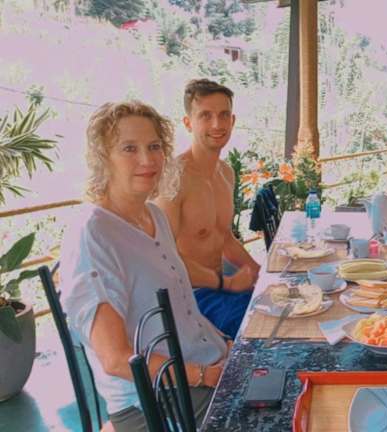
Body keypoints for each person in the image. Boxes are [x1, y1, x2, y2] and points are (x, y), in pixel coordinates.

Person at [60, 101, 229, 431]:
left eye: (154, 146)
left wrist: (224, 346)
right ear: (103, 158)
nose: (147, 160)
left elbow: (184, 311)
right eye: (129, 148)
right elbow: (115, 359)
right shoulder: (93, 233)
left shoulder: (153, 216)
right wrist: (204, 375)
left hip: (200, 366)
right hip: (154, 398)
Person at [156, 79, 260, 339]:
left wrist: (262, 275)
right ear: (188, 123)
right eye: (205, 115)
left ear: (232, 121)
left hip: (221, 288)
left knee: (288, 308)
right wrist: (227, 283)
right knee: (262, 328)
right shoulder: (174, 179)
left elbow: (225, 237)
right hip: (189, 295)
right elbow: (163, 257)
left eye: (224, 115)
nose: (217, 124)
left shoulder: (226, 173)